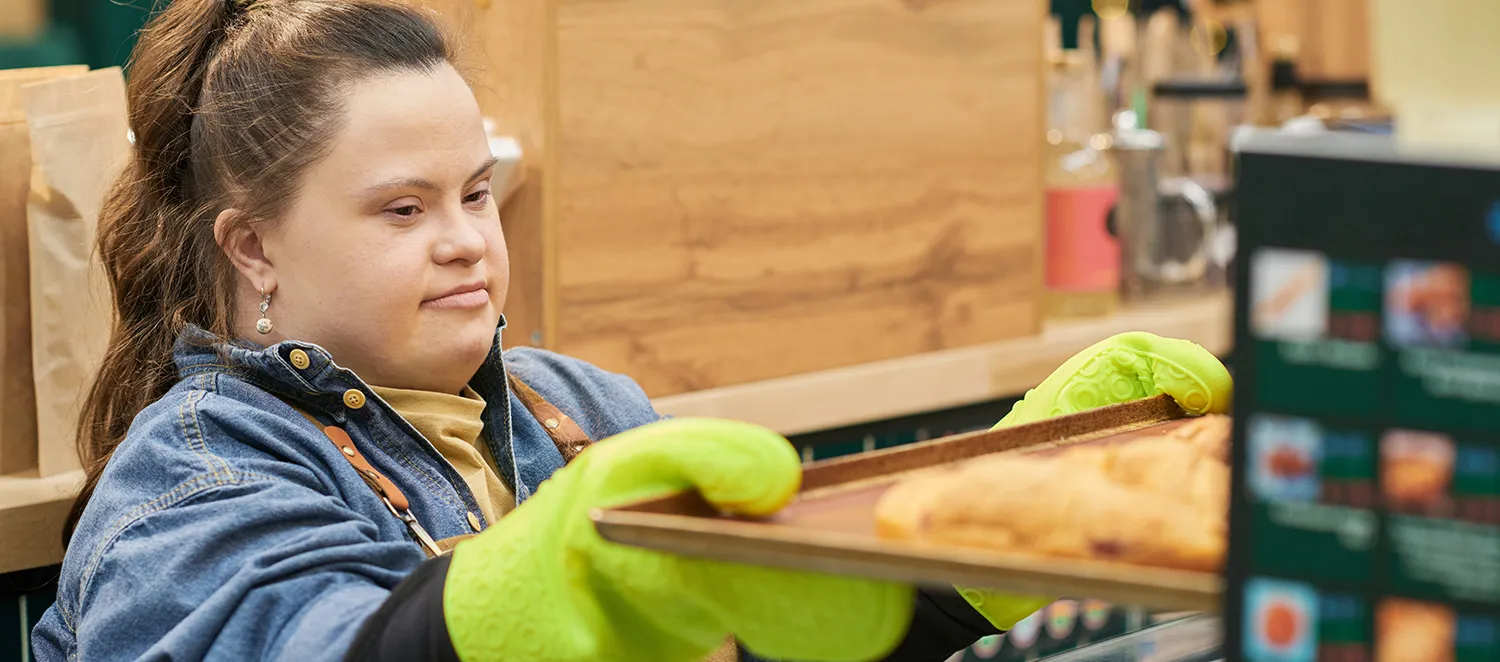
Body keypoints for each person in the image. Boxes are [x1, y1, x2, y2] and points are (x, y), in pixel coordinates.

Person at [29, 1, 1233, 661]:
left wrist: (1007, 492)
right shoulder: (194, 474)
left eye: (475, 193)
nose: (461, 239)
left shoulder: (581, 407)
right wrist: (547, 587)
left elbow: (772, 639)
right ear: (254, 247)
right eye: (402, 208)